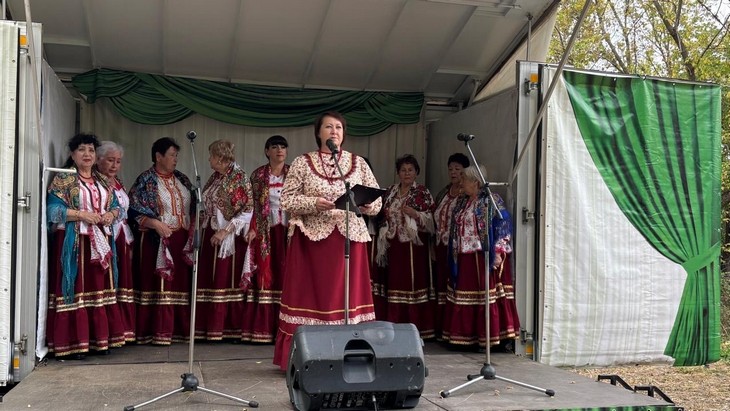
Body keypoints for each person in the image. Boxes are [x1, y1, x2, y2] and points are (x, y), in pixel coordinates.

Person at [273, 111, 382, 370]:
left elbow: (377, 199)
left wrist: (368, 206)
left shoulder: (357, 163)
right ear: (318, 132)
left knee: (347, 298)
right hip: (311, 243)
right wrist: (314, 203)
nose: (334, 131)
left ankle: (351, 354)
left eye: (339, 127)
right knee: (312, 297)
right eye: (329, 127)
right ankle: (306, 356)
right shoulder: (302, 162)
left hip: (349, 238)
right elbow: (286, 199)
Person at [46, 133, 125, 358]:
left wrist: (110, 214)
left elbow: (117, 206)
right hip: (75, 241)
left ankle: (98, 340)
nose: (87, 154)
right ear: (72, 155)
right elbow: (52, 210)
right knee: (76, 288)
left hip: (100, 242)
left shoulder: (102, 180)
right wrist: (81, 214)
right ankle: (73, 343)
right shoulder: (64, 179)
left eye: (91, 150)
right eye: (81, 150)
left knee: (98, 289)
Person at [442, 164, 520, 349]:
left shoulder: (490, 200)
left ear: (476, 182)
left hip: (481, 255)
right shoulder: (463, 201)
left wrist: (498, 251)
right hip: (464, 255)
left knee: (483, 296)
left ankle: (488, 338)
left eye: (465, 179)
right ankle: (465, 336)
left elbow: (503, 224)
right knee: (464, 295)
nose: (461, 182)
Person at [128, 137, 194, 345]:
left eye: (176, 155)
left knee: (181, 284)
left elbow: (193, 206)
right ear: (158, 156)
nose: (176, 159)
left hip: (181, 240)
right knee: (159, 285)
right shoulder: (146, 180)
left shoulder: (182, 179)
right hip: (156, 240)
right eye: (172, 155)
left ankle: (180, 331)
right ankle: (157, 331)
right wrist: (155, 223)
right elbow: (133, 209)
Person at [194, 140, 254, 341]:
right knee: (209, 280)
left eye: (211, 155)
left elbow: (247, 210)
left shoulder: (238, 177)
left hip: (228, 239)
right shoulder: (216, 177)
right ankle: (207, 328)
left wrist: (225, 231)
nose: (209, 159)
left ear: (220, 158)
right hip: (210, 233)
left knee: (224, 280)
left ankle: (228, 329)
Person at [376, 154, 436, 338]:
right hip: (393, 245)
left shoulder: (422, 192)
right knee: (394, 282)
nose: (407, 173)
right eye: (403, 170)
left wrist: (416, 214)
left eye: (410, 170)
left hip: (414, 246)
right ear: (398, 173)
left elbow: (433, 219)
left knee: (413, 283)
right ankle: (395, 326)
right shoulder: (391, 192)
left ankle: (416, 327)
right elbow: (381, 213)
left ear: (416, 172)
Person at [245, 135, 290, 343]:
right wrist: (253, 228)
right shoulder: (258, 175)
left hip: (289, 231)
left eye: (283, 147)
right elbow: (252, 206)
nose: (280, 150)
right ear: (267, 151)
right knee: (267, 274)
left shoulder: (294, 173)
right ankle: (263, 329)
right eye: (275, 147)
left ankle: (287, 327)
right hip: (266, 232)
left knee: (287, 273)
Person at [96, 141, 136, 343]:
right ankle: (109, 331)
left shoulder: (117, 181)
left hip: (121, 235)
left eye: (118, 161)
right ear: (98, 159)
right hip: (105, 235)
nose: (114, 165)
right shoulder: (95, 181)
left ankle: (123, 329)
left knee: (123, 281)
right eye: (110, 160)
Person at [432, 153, 469, 338]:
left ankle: (455, 330)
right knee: (441, 285)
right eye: (450, 169)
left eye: (457, 169)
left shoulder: (467, 195)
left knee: (454, 285)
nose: (453, 172)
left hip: (456, 248)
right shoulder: (443, 193)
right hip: (441, 245)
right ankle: (441, 328)